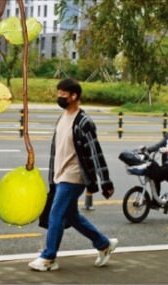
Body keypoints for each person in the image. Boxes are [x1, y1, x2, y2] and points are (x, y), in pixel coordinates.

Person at [29, 78, 118, 272]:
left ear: (74, 96)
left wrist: (106, 182)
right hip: (60, 176)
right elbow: (58, 151)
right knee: (72, 215)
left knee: (56, 213)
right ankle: (103, 244)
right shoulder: (62, 118)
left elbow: (96, 151)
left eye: (63, 94)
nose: (59, 97)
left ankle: (49, 257)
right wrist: (52, 178)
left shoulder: (84, 121)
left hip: (75, 176)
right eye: (58, 93)